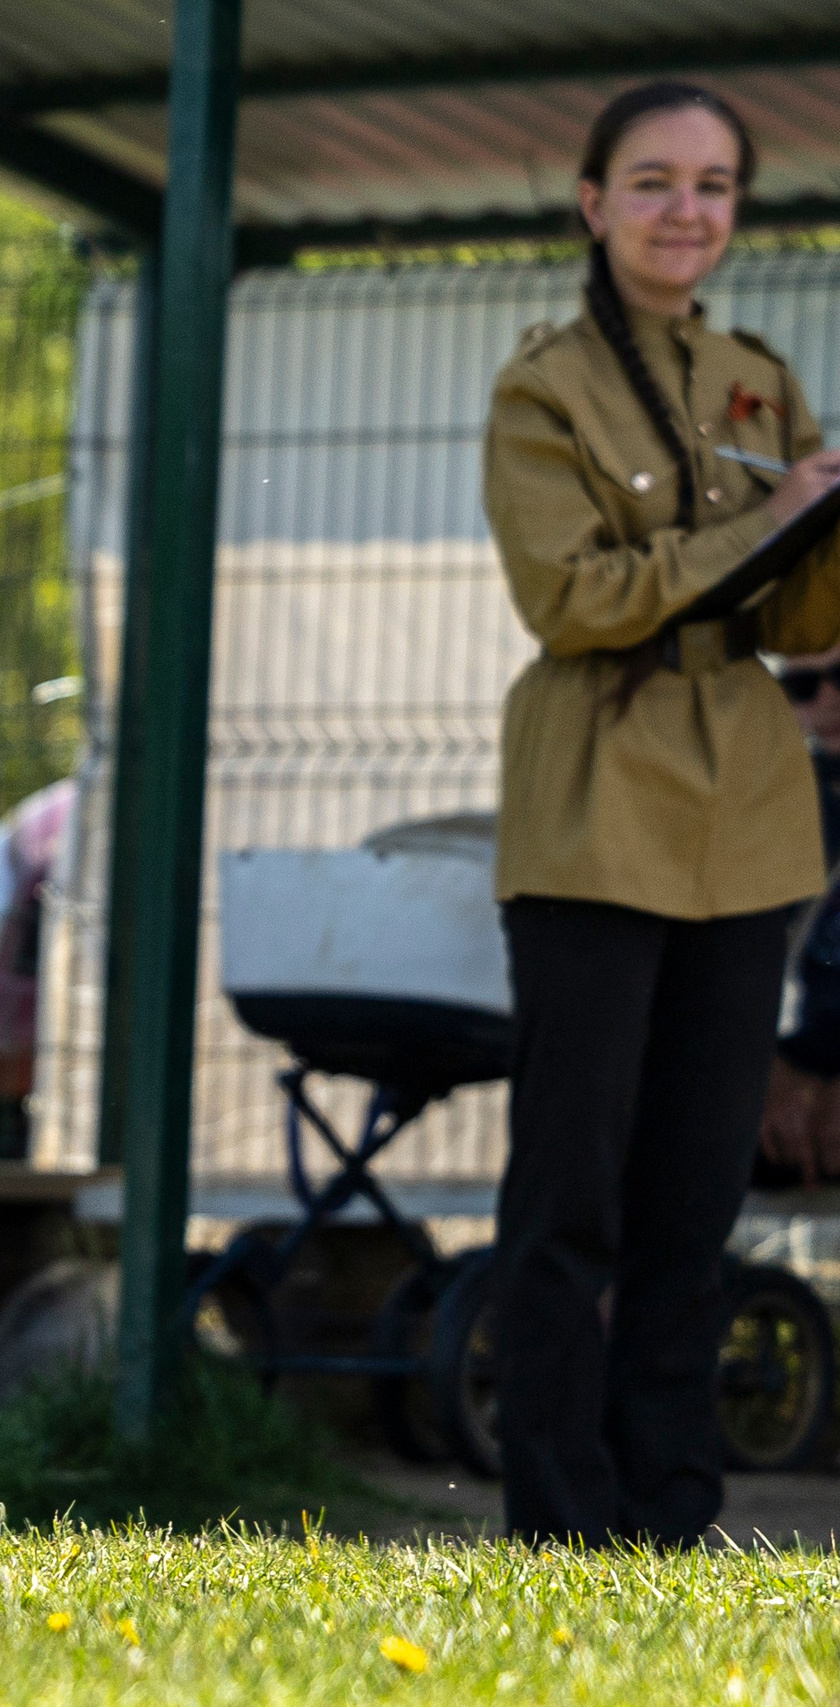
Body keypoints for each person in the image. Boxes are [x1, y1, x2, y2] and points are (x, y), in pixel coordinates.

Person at [483, 81, 840, 1548]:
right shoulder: (542, 388)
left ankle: (672, 1513)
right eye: (652, 182)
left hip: (748, 799)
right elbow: (570, 597)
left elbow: (804, 608)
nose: (685, 210)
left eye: (711, 186)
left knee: (696, 1192)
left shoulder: (759, 374)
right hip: (595, 794)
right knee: (574, 1188)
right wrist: (767, 520)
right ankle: (562, 1514)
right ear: (593, 203)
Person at [759, 646, 840, 1179]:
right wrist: (763, 1073)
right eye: (802, 687)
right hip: (812, 1054)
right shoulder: (780, 797)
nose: (829, 699)